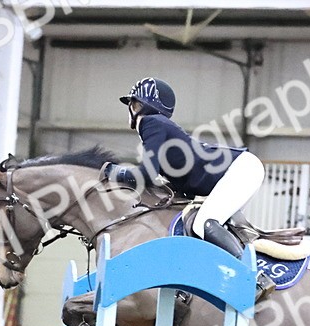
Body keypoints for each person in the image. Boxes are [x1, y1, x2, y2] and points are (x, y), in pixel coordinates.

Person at [102, 77, 274, 300]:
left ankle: (254, 279)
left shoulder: (150, 123)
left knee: (205, 222)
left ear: (141, 106)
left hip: (242, 169)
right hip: (238, 170)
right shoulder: (160, 127)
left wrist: (112, 172)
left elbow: (145, 174)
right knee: (195, 223)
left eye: (132, 104)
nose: (130, 110)